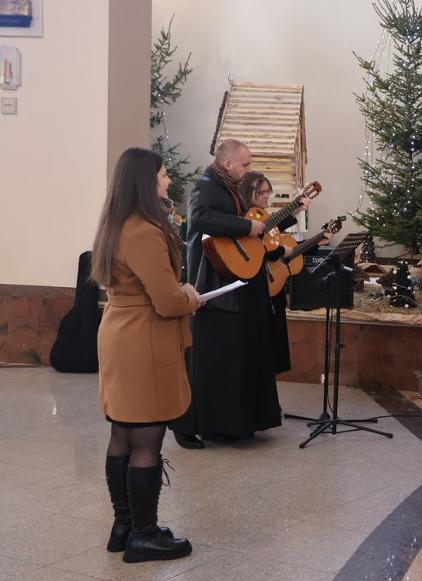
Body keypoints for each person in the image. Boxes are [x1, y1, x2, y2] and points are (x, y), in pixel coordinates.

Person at [92, 147, 198, 563]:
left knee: (123, 432)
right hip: (143, 338)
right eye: (163, 174)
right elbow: (168, 301)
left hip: (121, 332)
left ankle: (124, 525)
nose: (168, 180)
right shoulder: (143, 231)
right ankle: (144, 534)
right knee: (147, 437)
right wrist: (189, 295)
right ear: (145, 181)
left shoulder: (116, 223)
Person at [172, 139, 305, 448]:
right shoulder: (205, 186)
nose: (248, 169)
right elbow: (200, 219)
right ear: (227, 163)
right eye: (244, 164)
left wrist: (290, 213)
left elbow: (256, 227)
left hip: (236, 278)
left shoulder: (230, 188)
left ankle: (230, 423)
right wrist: (245, 228)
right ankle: (190, 425)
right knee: (210, 358)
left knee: (234, 357)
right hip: (213, 282)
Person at [239, 172, 330, 374]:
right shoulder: (244, 221)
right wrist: (282, 251)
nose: (266, 196)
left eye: (268, 191)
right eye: (260, 192)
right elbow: (267, 250)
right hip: (256, 289)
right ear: (247, 193)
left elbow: (279, 240)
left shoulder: (264, 219)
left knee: (275, 346)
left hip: (274, 288)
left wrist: (313, 242)